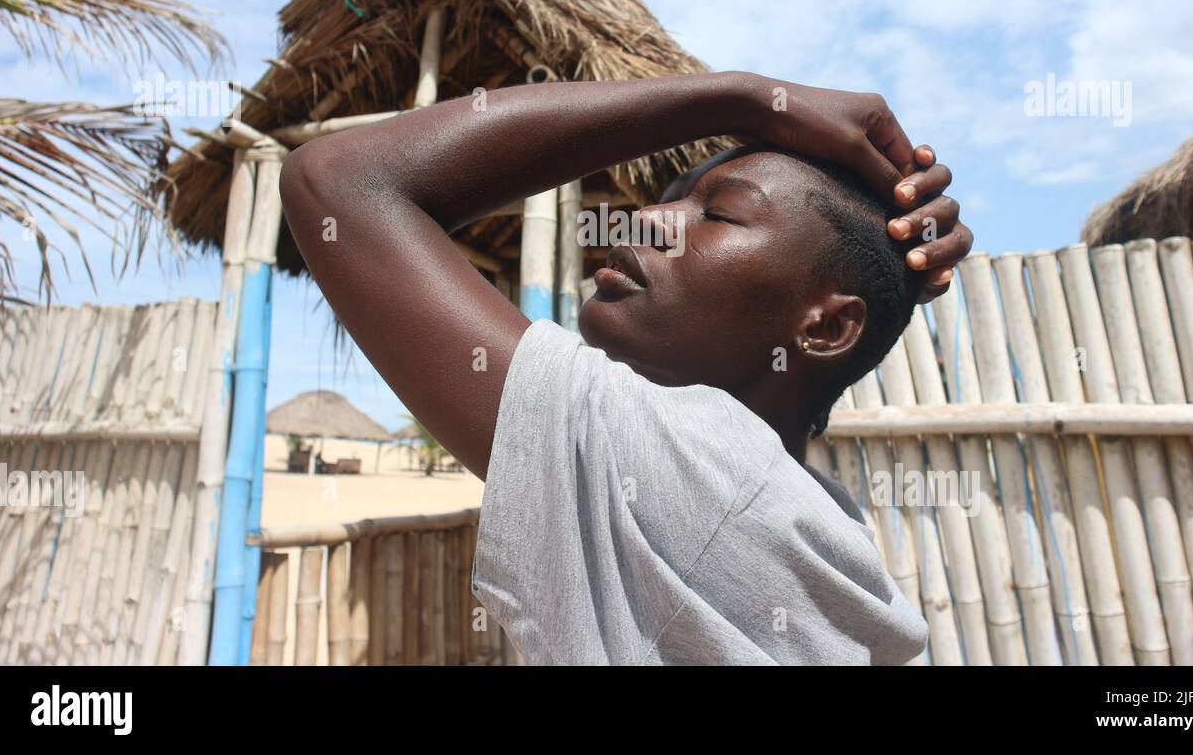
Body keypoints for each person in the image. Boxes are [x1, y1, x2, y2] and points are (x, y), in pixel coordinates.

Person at [279, 70, 973, 664]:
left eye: (720, 216)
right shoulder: (811, 512)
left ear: (824, 327)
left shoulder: (699, 465)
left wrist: (745, 98)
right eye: (668, 198)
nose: (644, 221)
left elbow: (341, 179)